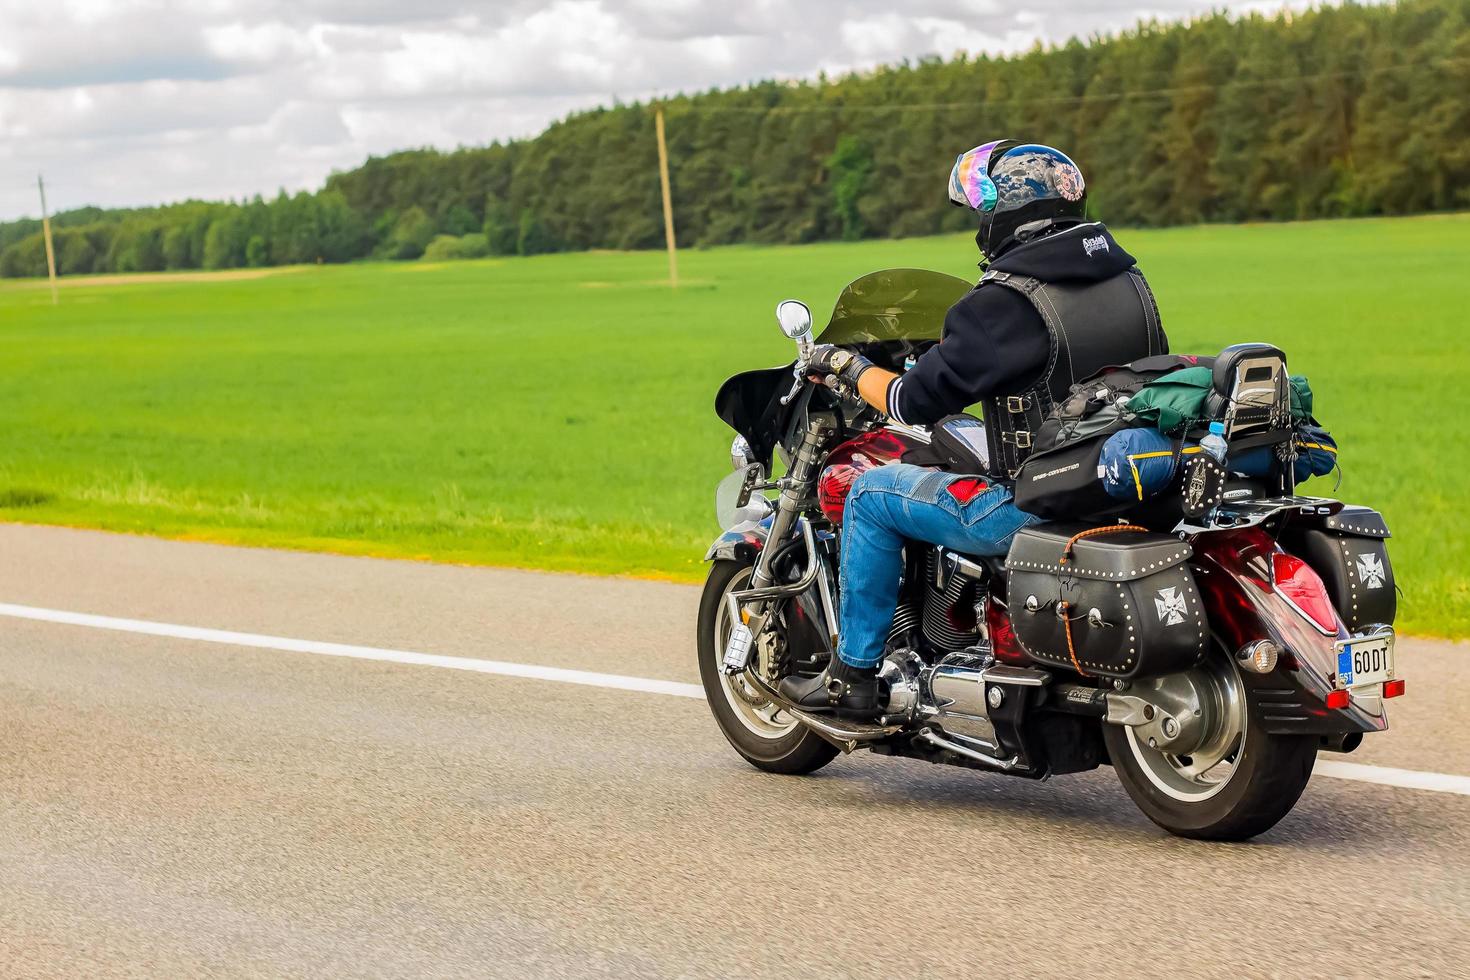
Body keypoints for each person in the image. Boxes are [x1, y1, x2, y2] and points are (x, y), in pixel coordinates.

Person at [779, 141, 1168, 717]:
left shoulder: (1005, 302)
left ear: (1006, 215)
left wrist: (846, 364)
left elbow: (909, 402)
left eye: (982, 212)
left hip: (1033, 505)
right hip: (1121, 485)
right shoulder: (1127, 280)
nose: (979, 225)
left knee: (868, 493)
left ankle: (853, 676)